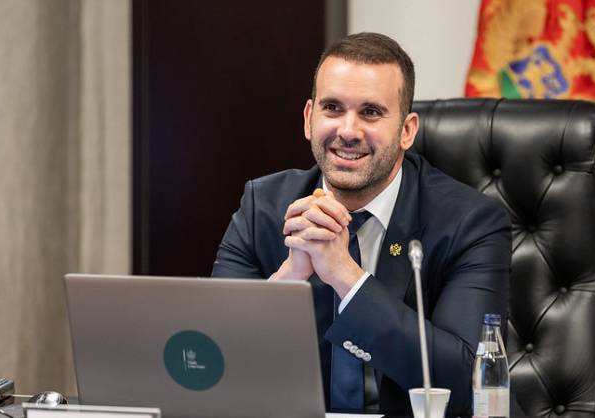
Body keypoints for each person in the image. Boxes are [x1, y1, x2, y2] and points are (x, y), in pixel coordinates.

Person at [212, 32, 511, 417]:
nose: (348, 131)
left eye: (370, 112)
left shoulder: (470, 222)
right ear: (308, 119)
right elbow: (211, 363)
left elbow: (471, 385)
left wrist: (346, 277)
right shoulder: (263, 208)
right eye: (332, 108)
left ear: (407, 130)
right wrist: (290, 279)